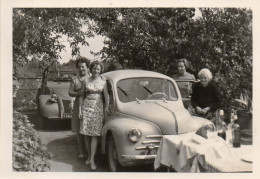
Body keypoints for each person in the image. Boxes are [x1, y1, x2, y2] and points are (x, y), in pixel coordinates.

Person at [78, 61, 109, 170]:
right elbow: (82, 95)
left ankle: (92, 160)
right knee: (86, 134)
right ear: (90, 69)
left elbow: (106, 95)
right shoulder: (85, 80)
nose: (96, 71)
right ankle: (90, 157)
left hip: (97, 108)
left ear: (101, 70)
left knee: (95, 135)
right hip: (86, 107)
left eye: (98, 69)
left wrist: (107, 106)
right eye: (94, 68)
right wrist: (80, 110)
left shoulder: (103, 81)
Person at [68, 57, 91, 159]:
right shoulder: (75, 79)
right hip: (79, 105)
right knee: (79, 130)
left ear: (87, 67)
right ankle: (82, 152)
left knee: (90, 129)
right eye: (79, 67)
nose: (81, 69)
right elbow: (70, 92)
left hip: (91, 105)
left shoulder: (92, 77)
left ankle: (91, 152)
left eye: (83, 67)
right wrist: (78, 93)